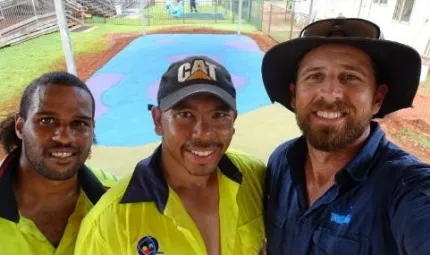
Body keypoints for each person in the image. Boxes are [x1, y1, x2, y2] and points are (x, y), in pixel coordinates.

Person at [261, 18, 430, 254]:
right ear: (294, 96)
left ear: (377, 99)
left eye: (350, 77)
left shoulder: (407, 186)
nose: (330, 94)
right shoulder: (281, 162)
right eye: (314, 76)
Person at [74, 56, 266, 255]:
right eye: (185, 115)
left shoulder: (256, 178)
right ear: (158, 120)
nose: (203, 133)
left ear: (233, 120)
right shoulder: (107, 224)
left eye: (219, 115)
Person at [0, 71, 118, 255]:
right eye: (46, 121)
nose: (64, 137)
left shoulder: (118, 197)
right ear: (20, 127)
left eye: (79, 123)